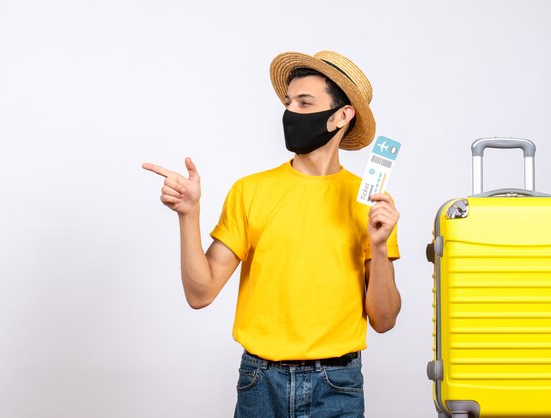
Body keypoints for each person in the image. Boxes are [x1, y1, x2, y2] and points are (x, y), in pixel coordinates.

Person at [142, 50, 401, 418]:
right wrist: (189, 214)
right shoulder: (251, 191)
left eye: (305, 101)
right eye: (288, 102)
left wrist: (378, 245)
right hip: (260, 381)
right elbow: (200, 294)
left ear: (342, 115)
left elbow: (384, 319)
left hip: (338, 384)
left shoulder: (370, 203)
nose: (290, 112)